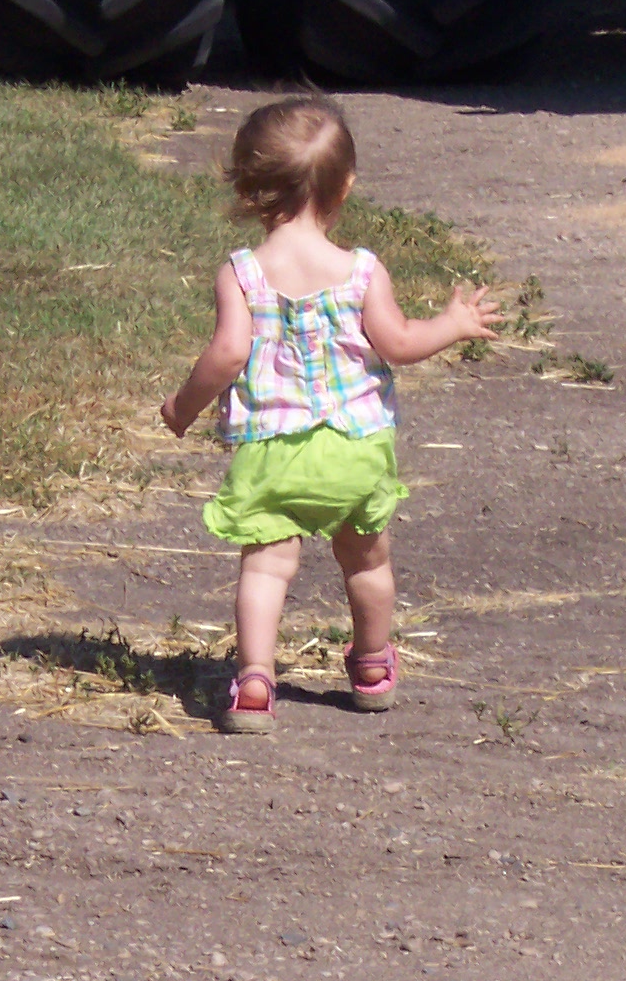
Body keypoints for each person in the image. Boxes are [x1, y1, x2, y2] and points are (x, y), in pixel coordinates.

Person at [161, 98, 500, 735]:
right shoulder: (362, 272)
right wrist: (453, 324)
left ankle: (254, 682)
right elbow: (400, 343)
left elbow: (228, 352)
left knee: (266, 566)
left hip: (273, 452)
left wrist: (182, 407)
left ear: (248, 188)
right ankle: (371, 666)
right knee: (367, 561)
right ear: (344, 186)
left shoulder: (241, 273)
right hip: (355, 450)